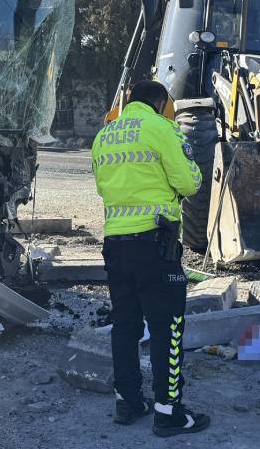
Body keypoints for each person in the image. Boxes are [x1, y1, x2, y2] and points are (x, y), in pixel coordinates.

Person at [90, 80, 211, 437]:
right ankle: (168, 412)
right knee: (166, 327)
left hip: (115, 244)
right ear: (160, 103)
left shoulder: (104, 136)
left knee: (125, 324)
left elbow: (102, 187)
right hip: (155, 245)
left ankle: (128, 402)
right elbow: (189, 182)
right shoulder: (162, 128)